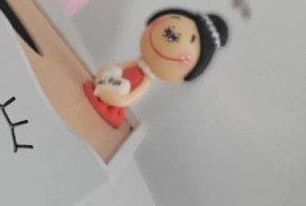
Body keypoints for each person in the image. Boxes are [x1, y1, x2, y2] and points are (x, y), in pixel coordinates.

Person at [83, 8, 229, 127]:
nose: (167, 39)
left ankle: (105, 96)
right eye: (167, 31)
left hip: (115, 99)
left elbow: (133, 96)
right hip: (105, 83)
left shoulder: (145, 81)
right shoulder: (136, 63)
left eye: (173, 37)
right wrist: (106, 72)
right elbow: (118, 67)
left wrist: (121, 100)